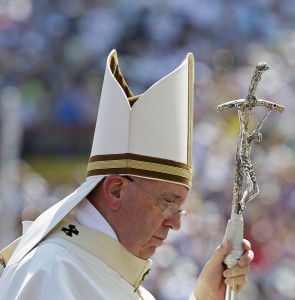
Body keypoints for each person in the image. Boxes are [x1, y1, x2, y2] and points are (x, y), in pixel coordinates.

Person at [0, 50, 253, 300]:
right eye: (168, 202)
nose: (175, 224)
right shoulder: (52, 269)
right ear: (116, 190)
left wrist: (206, 297)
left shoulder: (113, 278)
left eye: (179, 208)